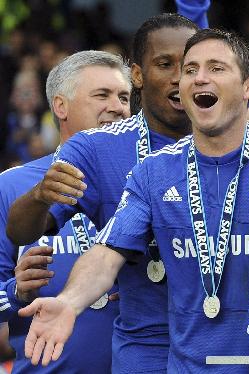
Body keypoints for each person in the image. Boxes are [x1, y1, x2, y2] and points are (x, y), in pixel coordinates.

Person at [17, 28, 249, 373]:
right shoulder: (154, 172)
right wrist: (69, 303)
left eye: (216, 68)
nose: (197, 78)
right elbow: (106, 253)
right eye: (190, 70)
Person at [6, 14, 199, 373]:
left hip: (218, 348)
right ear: (139, 74)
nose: (179, 76)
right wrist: (39, 196)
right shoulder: (94, 149)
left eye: (190, 67)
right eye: (165, 64)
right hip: (141, 351)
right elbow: (21, 232)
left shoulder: (232, 144)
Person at [0, 50, 130, 372]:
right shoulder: (12, 187)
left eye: (125, 97)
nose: (118, 107)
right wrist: (15, 291)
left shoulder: (151, 180)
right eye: (102, 95)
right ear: (61, 106)